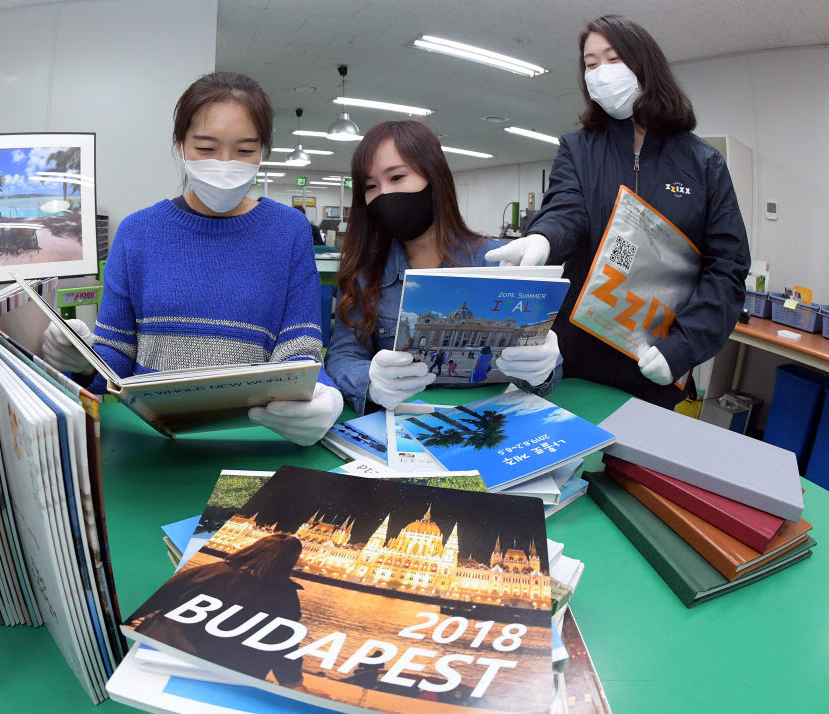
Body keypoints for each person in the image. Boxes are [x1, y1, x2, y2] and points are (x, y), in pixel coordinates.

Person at [41, 72, 343, 444]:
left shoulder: (289, 231)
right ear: (180, 145)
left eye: (245, 150)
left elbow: (300, 351)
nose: (225, 163)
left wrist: (323, 396)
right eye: (205, 147)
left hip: (253, 439)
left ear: (263, 151)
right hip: (149, 441)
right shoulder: (137, 232)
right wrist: (84, 365)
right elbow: (115, 359)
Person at [487, 15, 750, 408]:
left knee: (635, 467)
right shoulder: (578, 148)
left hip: (655, 362)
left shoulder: (704, 164)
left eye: (613, 59)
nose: (601, 73)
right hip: (573, 359)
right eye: (591, 65)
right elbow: (566, 208)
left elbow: (726, 267)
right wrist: (542, 238)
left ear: (645, 66)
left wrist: (682, 347)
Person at [325, 120, 561, 415]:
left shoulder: (500, 262)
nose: (384, 194)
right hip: (399, 421)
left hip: (494, 419)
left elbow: (541, 368)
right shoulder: (365, 271)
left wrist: (545, 369)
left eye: (397, 177)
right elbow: (343, 355)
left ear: (434, 177)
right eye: (371, 186)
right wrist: (370, 382)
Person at [127, 533, 305, 688]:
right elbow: (283, 645)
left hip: (161, 648)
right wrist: (291, 680)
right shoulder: (286, 598)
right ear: (290, 563)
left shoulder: (214, 571)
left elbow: (159, 596)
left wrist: (125, 618)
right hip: (223, 677)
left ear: (255, 548)